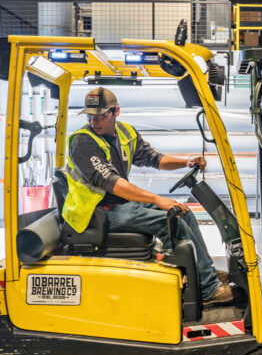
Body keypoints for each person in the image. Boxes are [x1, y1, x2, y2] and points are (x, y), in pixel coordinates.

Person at [62, 87, 232, 304]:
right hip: (95, 213)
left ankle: (205, 274)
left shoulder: (125, 132)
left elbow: (154, 158)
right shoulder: (83, 142)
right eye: (90, 115)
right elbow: (112, 183)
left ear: (116, 112)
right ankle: (208, 290)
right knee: (171, 222)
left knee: (184, 213)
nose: (94, 121)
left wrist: (185, 162)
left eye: (101, 115)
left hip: (117, 204)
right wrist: (156, 199)